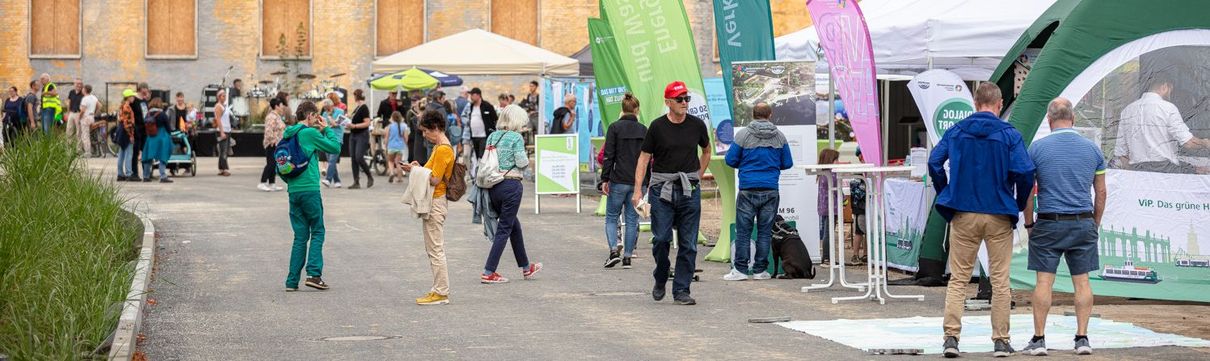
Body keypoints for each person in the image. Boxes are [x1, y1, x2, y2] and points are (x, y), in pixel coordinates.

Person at [928, 82, 1035, 358]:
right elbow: (1025, 172)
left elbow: (934, 162)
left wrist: (946, 192)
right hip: (999, 212)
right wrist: (1018, 202)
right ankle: (1000, 340)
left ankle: (951, 338)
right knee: (1000, 280)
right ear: (999, 105)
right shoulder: (1010, 134)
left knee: (959, 279)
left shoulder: (957, 131)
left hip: (963, 212)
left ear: (975, 104)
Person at [1020, 98, 1106, 356]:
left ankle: (1038, 339)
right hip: (1082, 222)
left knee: (1044, 282)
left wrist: (1029, 223)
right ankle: (1082, 339)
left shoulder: (1036, 149)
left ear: (1049, 121)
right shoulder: (1093, 150)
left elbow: (1028, 194)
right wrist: (1094, 223)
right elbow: (1101, 193)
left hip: (1048, 221)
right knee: (1082, 283)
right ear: (1074, 119)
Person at [632, 81, 711, 306]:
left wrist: (698, 175)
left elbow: (706, 151)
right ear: (668, 102)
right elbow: (644, 158)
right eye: (680, 99)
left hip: (689, 190)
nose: (685, 103)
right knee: (661, 239)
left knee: (689, 243)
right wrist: (638, 190)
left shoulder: (696, 125)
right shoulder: (657, 127)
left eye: (687, 99)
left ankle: (682, 290)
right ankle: (661, 274)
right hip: (661, 190)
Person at [723, 102, 794, 281]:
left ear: (753, 115)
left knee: (744, 231)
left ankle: (740, 270)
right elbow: (787, 163)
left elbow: (730, 160)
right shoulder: (779, 136)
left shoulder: (743, 135)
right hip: (770, 189)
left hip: (747, 188)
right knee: (764, 231)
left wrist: (746, 165)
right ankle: (760, 270)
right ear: (770, 115)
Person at [477, 96, 541, 284]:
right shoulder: (516, 137)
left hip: (493, 185)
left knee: (514, 226)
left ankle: (526, 267)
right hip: (511, 185)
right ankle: (489, 271)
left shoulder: (492, 136)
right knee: (505, 228)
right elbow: (521, 162)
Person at [282, 101, 343, 291]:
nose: (318, 119)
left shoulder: (288, 134)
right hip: (310, 190)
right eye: (316, 116)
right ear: (309, 116)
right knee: (317, 230)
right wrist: (326, 129)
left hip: (294, 191)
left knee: (300, 236)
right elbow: (335, 148)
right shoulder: (309, 133)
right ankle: (314, 275)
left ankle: (292, 281)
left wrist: (292, 183)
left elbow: (282, 165)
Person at [398, 109, 456, 305]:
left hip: (436, 202)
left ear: (435, 128)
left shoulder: (443, 149)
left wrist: (414, 170)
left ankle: (441, 291)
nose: (424, 135)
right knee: (433, 248)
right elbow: (430, 171)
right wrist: (417, 167)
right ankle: (438, 289)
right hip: (437, 201)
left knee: (435, 249)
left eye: (425, 131)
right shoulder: (441, 147)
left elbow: (434, 179)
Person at [1113, 76, 1210, 174]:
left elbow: (1122, 153)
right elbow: (1188, 143)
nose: (1170, 94)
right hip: (1165, 169)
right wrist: (1205, 143)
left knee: (1197, 169)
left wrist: (1135, 174)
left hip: (1137, 170)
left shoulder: (1127, 110)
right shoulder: (1167, 108)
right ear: (1165, 86)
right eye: (1170, 90)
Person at [600, 94, 648, 269]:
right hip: (637, 182)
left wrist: (604, 179)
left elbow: (608, 156)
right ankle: (628, 256)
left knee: (612, 217)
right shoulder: (644, 129)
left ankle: (614, 250)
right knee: (632, 219)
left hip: (618, 179)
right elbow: (648, 158)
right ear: (637, 110)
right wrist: (646, 182)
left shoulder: (614, 128)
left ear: (622, 109)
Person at [346, 89, 374, 189]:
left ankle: (369, 175)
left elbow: (367, 123)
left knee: (359, 157)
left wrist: (354, 126)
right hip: (353, 135)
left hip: (361, 135)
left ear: (356, 96)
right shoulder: (357, 108)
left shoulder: (364, 107)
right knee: (353, 158)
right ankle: (356, 181)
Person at [816, 149, 840, 265]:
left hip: (823, 207)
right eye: (836, 159)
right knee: (829, 233)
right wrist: (844, 198)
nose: (838, 162)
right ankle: (826, 258)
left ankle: (826, 257)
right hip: (832, 207)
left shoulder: (822, 174)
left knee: (827, 232)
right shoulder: (832, 175)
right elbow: (837, 189)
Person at [141, 98, 173, 183]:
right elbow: (168, 127)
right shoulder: (162, 114)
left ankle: (146, 176)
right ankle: (163, 176)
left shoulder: (147, 114)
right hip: (162, 137)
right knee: (163, 157)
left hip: (150, 138)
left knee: (148, 157)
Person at [260, 98, 288, 192]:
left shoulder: (277, 116)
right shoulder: (271, 116)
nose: (282, 107)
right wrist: (271, 140)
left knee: (274, 163)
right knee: (270, 163)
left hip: (278, 144)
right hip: (272, 143)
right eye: (281, 105)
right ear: (276, 106)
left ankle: (272, 183)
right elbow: (269, 129)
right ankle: (262, 182)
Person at [464, 87, 498, 159]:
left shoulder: (487, 106)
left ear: (478, 95)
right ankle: (479, 169)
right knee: (477, 157)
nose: (471, 97)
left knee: (482, 156)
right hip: (474, 136)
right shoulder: (471, 106)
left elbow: (495, 118)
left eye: (472, 95)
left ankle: (481, 170)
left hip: (484, 136)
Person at [849, 148, 868, 265]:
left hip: (867, 205)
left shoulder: (869, 169)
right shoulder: (858, 171)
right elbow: (856, 190)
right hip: (859, 207)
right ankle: (855, 255)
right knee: (859, 231)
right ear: (861, 156)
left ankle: (866, 254)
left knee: (867, 231)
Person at [320, 99, 344, 188]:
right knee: (331, 161)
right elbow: (322, 126)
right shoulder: (324, 114)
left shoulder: (340, 112)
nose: (326, 110)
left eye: (328, 108)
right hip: (327, 139)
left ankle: (328, 179)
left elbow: (335, 124)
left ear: (332, 106)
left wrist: (330, 117)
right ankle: (337, 181)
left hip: (337, 139)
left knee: (332, 160)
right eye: (325, 108)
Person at [115, 89, 137, 182]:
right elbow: (127, 123)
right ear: (128, 97)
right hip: (126, 131)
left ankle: (120, 174)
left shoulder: (121, 106)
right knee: (128, 153)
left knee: (121, 153)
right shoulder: (127, 107)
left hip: (121, 130)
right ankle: (128, 174)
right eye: (132, 96)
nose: (134, 98)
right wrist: (131, 135)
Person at [132, 83, 151, 177]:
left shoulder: (144, 100)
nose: (147, 91)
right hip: (136, 128)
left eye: (147, 89)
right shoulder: (134, 100)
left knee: (145, 151)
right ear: (141, 89)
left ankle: (146, 174)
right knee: (135, 152)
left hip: (145, 129)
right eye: (146, 88)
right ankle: (134, 173)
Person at [386, 111, 408, 183]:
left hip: (391, 146)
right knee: (398, 163)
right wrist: (405, 144)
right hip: (400, 147)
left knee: (391, 161)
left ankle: (392, 173)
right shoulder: (404, 126)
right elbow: (406, 138)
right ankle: (399, 178)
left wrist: (386, 146)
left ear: (392, 118)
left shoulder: (390, 126)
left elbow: (387, 137)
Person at [214, 89, 232, 176]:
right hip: (222, 131)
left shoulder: (225, 106)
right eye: (223, 96)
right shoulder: (218, 106)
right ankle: (224, 169)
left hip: (227, 130)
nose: (224, 97)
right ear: (218, 97)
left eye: (225, 96)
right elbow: (218, 120)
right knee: (223, 150)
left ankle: (221, 168)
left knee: (224, 150)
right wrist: (221, 132)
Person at [78, 84, 98, 155]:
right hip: (91, 117)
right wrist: (94, 112)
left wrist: (79, 118)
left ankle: (87, 152)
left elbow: (82, 110)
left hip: (85, 117)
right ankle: (91, 150)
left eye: (83, 89)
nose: (82, 90)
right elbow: (99, 105)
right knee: (89, 134)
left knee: (85, 135)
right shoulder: (94, 97)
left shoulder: (85, 99)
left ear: (85, 90)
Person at [65, 78, 84, 146]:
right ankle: (69, 149)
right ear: (74, 84)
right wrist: (68, 112)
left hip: (79, 114)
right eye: (77, 83)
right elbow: (69, 102)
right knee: (69, 131)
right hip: (71, 113)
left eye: (80, 84)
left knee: (79, 133)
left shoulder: (83, 93)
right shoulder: (71, 92)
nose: (79, 85)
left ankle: (79, 150)